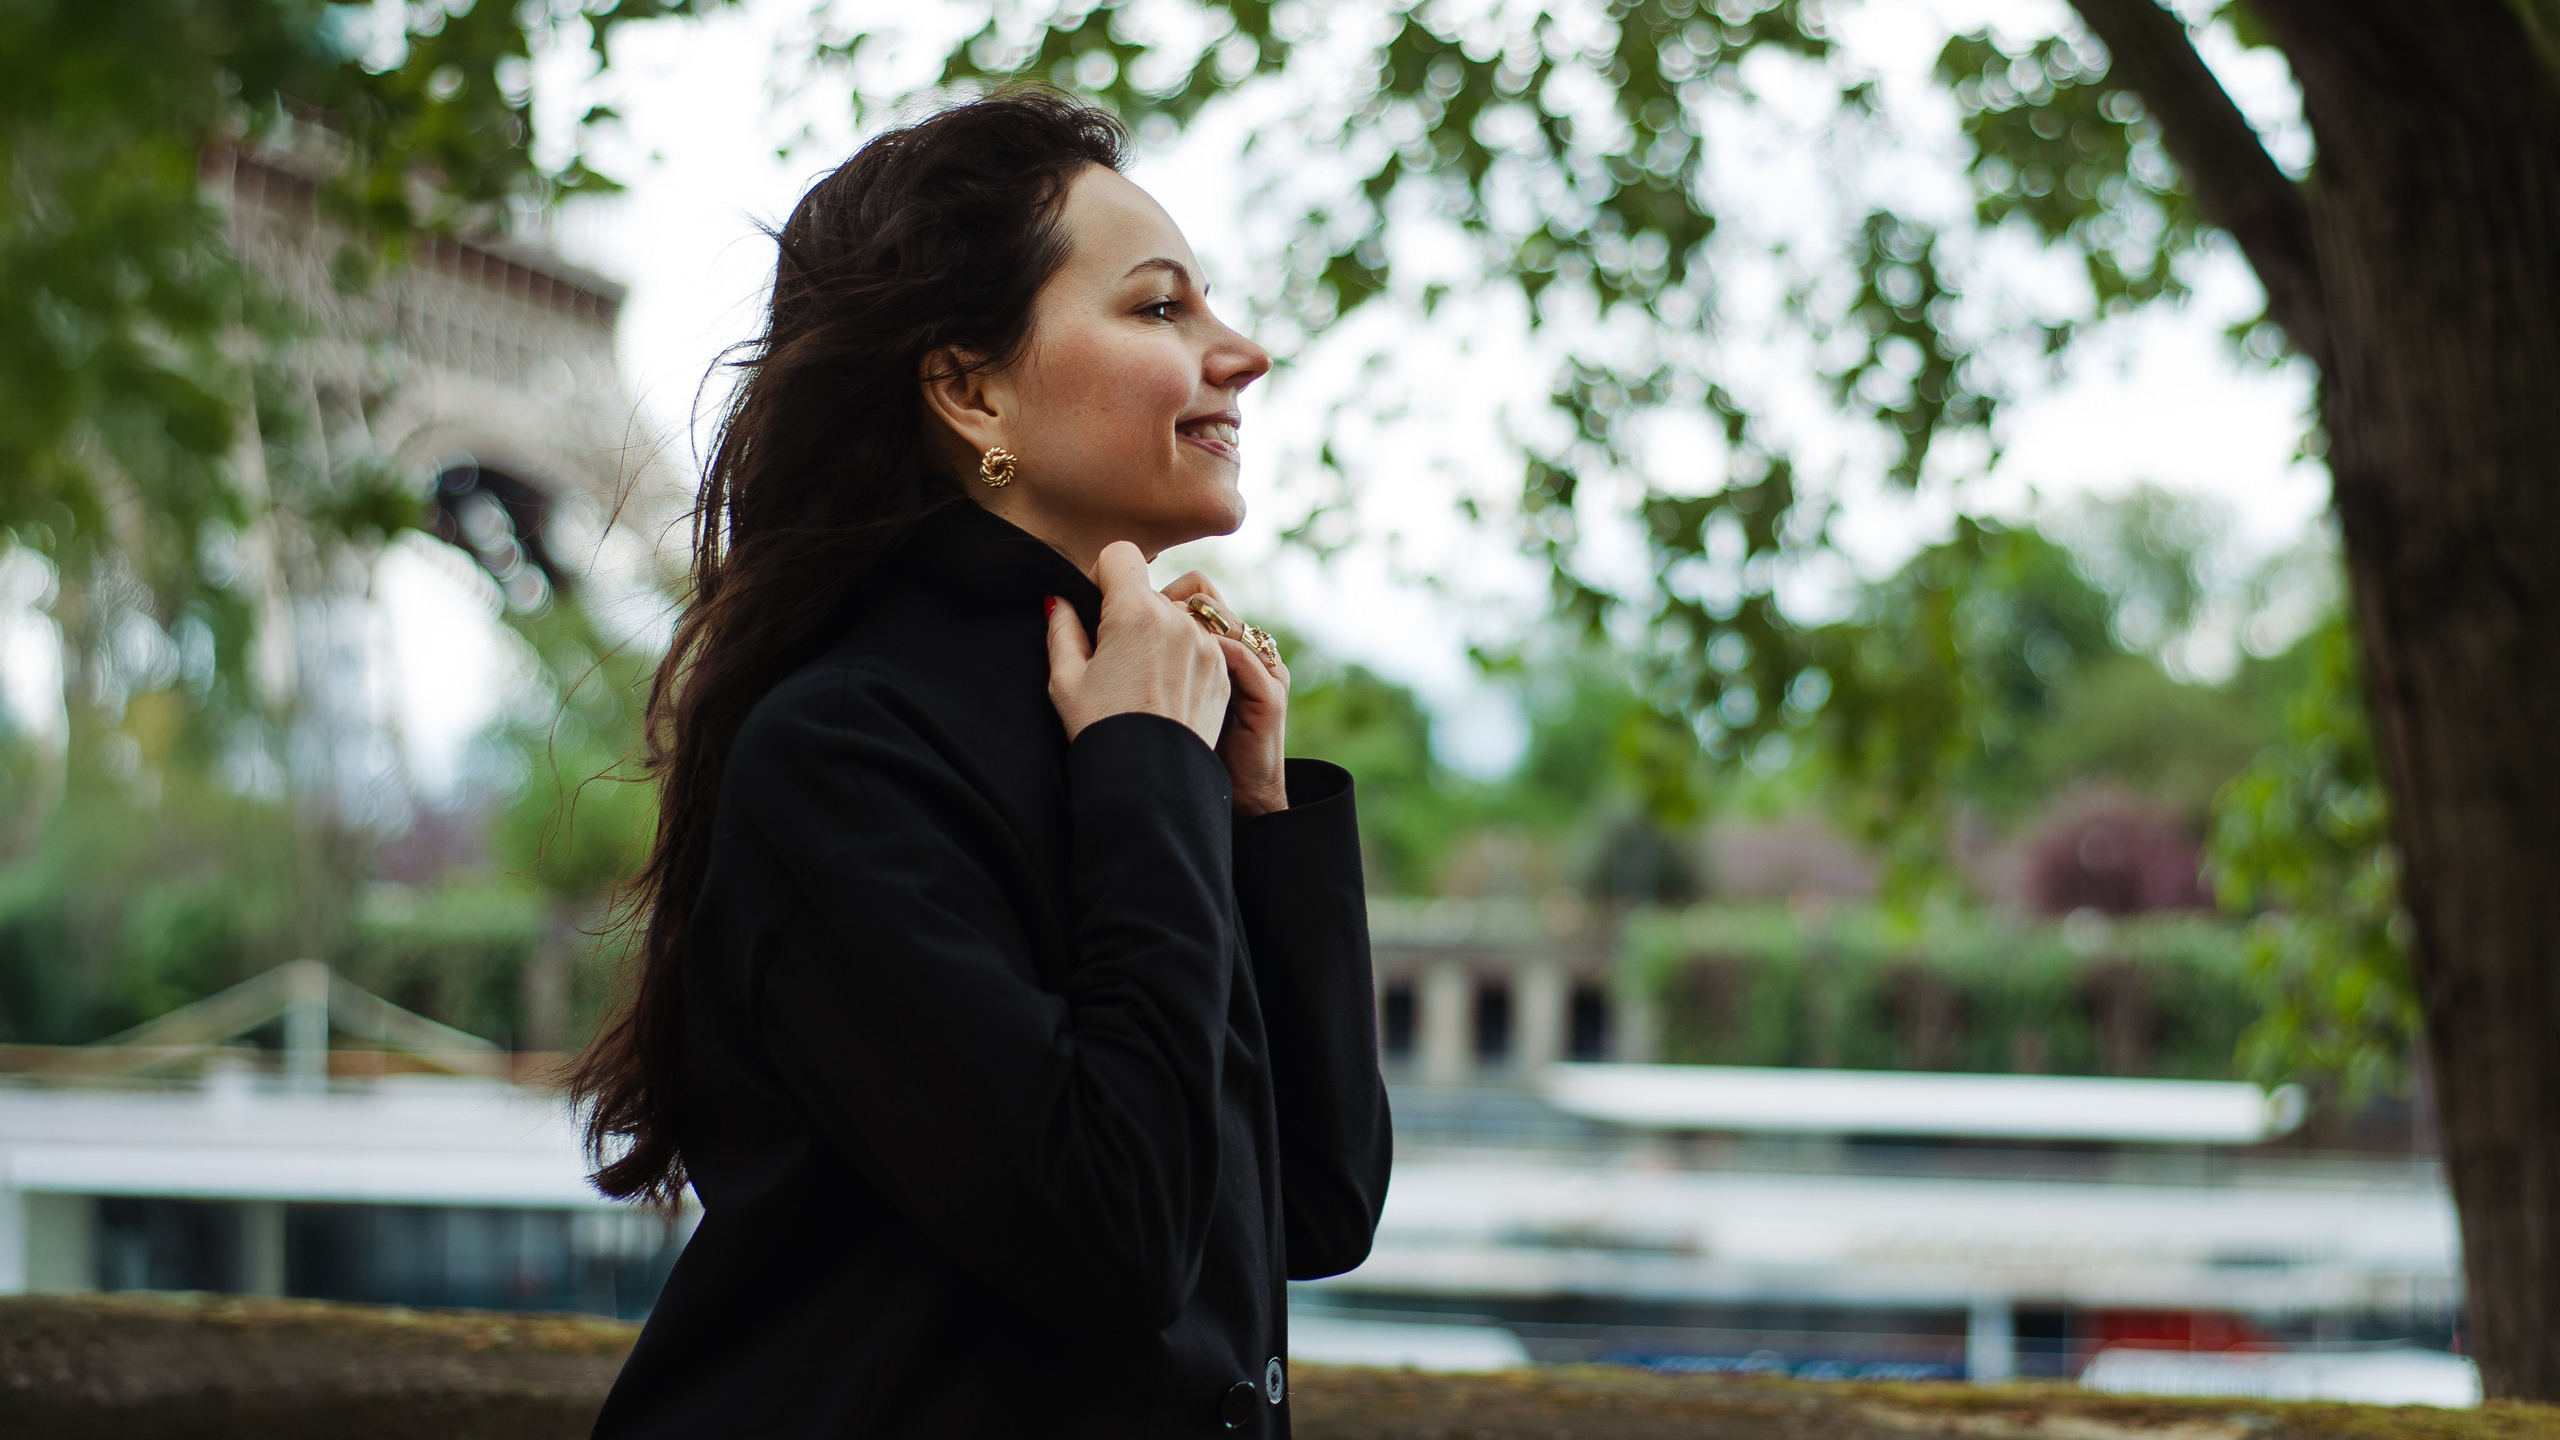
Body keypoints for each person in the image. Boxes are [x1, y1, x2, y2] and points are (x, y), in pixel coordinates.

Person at [573, 87, 1393, 1438]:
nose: (1242, 354)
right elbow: (1114, 1235)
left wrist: (1253, 811)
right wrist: (1141, 769)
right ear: (969, 388)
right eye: (1159, 308)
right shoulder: (845, 751)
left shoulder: (1136, 727)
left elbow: (1314, 1207)